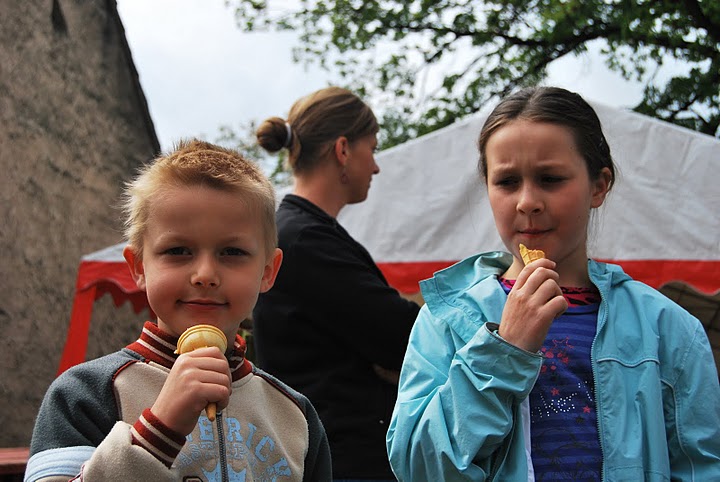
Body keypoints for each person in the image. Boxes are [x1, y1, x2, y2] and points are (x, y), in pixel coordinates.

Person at [386, 87, 720, 480]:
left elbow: (701, 466)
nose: (527, 201)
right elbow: (417, 467)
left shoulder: (667, 327)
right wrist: (503, 349)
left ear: (599, 186)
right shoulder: (446, 320)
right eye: (507, 182)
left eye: (550, 178)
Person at [26, 140, 332, 482]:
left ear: (267, 271)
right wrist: (158, 431)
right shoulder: (85, 394)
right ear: (139, 266)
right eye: (178, 250)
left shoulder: (294, 414)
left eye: (231, 252)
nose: (204, 275)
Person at [252, 86, 421, 481]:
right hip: (342, 459)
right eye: (373, 148)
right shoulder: (306, 240)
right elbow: (406, 339)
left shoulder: (298, 232)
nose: (376, 166)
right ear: (343, 150)